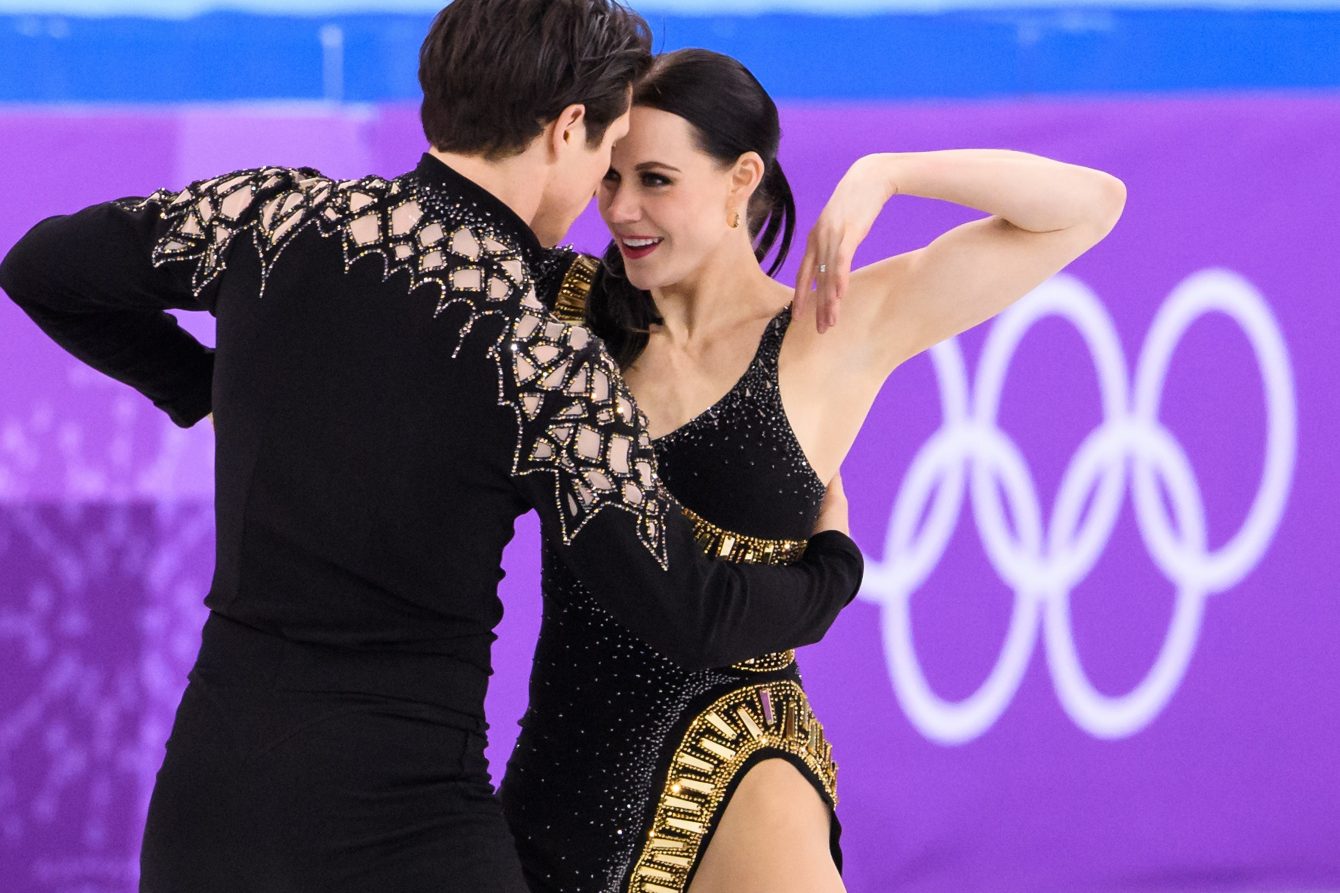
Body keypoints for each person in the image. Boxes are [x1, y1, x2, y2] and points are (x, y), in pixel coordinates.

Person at [0, 8, 867, 890]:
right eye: (607, 150)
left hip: (210, 814)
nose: (608, 187)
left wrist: (203, 388)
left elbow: (40, 269)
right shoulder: (541, 355)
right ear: (569, 128)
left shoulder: (273, 217)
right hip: (408, 833)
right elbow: (694, 611)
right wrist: (831, 567)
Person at [501, 48, 1126, 893]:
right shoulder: (566, 315)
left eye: (655, 179)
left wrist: (890, 171)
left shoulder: (828, 331)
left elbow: (1089, 206)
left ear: (740, 179)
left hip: (737, 757)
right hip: (562, 768)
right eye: (610, 179)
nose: (621, 209)